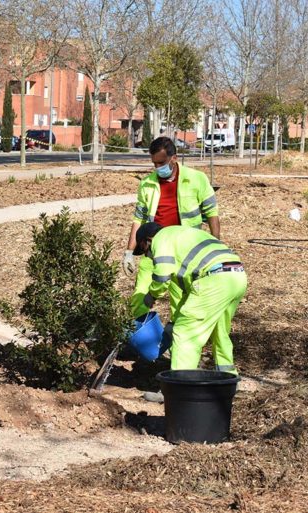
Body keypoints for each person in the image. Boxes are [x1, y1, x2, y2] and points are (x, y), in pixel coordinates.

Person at [134, 222, 248, 402]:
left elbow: (162, 275)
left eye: (145, 251)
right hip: (236, 275)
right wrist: (174, 320)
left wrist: (151, 295)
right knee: (219, 331)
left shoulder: (161, 239)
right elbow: (190, 295)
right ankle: (229, 381)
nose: (148, 256)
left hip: (214, 280)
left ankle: (176, 391)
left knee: (184, 334)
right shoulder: (183, 236)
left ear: (148, 240)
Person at [122, 136, 221, 326]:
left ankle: (176, 343)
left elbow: (212, 215)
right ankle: (142, 340)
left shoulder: (196, 179)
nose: (158, 167)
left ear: (174, 158)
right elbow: (138, 219)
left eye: (161, 162)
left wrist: (214, 246)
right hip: (153, 249)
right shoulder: (147, 184)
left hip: (183, 254)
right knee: (140, 297)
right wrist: (128, 252)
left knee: (181, 303)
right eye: (154, 163)